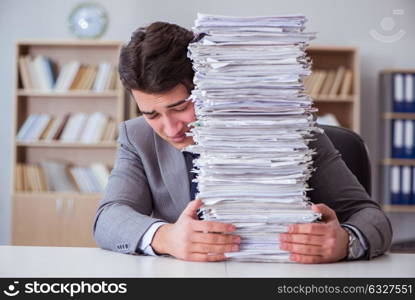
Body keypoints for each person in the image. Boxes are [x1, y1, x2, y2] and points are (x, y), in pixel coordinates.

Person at [93, 22, 392, 263]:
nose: (170, 129)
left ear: (207, 86)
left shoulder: (296, 132)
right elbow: (109, 217)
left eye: (180, 107)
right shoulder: (138, 137)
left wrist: (346, 242)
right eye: (151, 114)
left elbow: (372, 217)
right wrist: (166, 237)